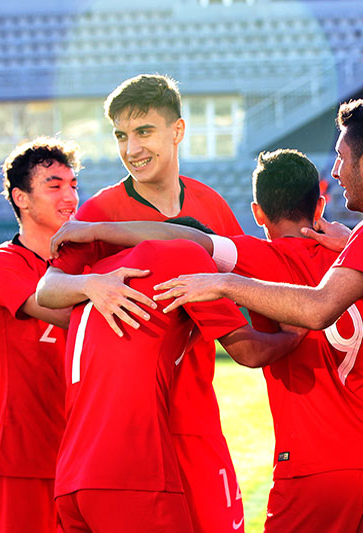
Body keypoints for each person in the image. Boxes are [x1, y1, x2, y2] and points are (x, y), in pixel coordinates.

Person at [153, 98, 363, 532]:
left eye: (341, 157)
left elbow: (317, 309)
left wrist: (223, 284)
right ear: (317, 207)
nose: (336, 172)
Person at [47, 148, 363, 532]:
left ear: (257, 213)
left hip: (312, 464)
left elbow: (191, 240)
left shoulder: (262, 256)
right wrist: (357, 236)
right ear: (321, 204)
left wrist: (95, 229)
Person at [36, 236, 301, 532]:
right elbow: (250, 351)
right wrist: (294, 334)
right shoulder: (185, 255)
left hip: (72, 479)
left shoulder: (102, 270)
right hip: (134, 475)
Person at [76, 74, 245, 532]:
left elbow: (253, 279)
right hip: (126, 432)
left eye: (144, 132)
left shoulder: (212, 207)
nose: (131, 149)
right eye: (121, 136)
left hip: (196, 415)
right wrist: (92, 286)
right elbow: (47, 290)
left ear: (178, 131)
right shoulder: (98, 211)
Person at [0, 138, 79, 532]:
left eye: (73, 185)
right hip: (27, 459)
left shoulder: (86, 266)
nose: (69, 197)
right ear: (22, 198)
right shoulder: (1, 263)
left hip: (86, 456)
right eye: (54, 186)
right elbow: (60, 311)